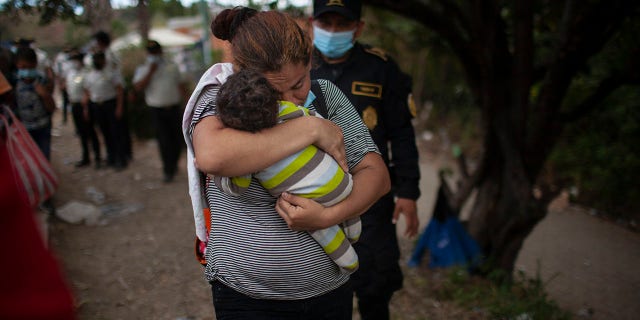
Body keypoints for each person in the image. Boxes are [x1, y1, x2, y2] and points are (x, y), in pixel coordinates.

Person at [182, 7, 390, 319]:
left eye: (297, 85)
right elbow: (213, 156)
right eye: (273, 92)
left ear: (310, 62)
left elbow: (377, 174)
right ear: (241, 74)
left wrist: (327, 216)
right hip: (244, 297)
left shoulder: (325, 95)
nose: (291, 102)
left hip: (327, 294)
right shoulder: (222, 97)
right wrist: (310, 128)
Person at [310, 1, 422, 319]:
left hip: (371, 195)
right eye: (325, 22)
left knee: (375, 284)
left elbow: (401, 133)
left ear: (358, 28)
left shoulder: (381, 68)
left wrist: (409, 192)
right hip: (314, 193)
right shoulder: (295, 66)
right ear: (311, 23)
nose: (332, 31)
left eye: (341, 24)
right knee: (323, 290)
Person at [214, 68, 361, 273]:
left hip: (313, 201)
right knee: (338, 194)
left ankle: (350, 262)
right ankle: (354, 230)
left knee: (317, 226)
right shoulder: (287, 109)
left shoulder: (248, 153)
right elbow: (314, 117)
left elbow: (238, 186)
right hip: (343, 181)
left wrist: (217, 175)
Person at [133, 40, 187, 182]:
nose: (154, 54)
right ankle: (167, 170)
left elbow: (181, 85)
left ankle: (174, 164)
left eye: (155, 51)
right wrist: (150, 72)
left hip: (174, 108)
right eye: (151, 52)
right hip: (157, 110)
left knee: (176, 140)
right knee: (164, 141)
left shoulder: (172, 66)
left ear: (160, 51)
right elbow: (138, 87)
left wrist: (188, 104)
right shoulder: (143, 68)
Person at [82, 51, 127, 170]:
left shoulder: (111, 74)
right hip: (97, 106)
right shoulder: (90, 75)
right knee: (104, 132)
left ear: (104, 60)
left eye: (99, 59)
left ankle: (120, 159)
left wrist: (119, 107)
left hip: (110, 104)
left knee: (115, 133)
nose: (97, 62)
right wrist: (86, 108)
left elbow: (119, 91)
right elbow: (87, 92)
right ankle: (110, 157)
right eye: (95, 59)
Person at [66, 51, 101, 168]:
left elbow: (88, 91)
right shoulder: (71, 74)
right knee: (81, 133)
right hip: (75, 105)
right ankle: (85, 157)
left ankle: (97, 157)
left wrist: (86, 108)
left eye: (76, 60)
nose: (74, 63)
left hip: (85, 106)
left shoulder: (86, 74)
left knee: (90, 132)